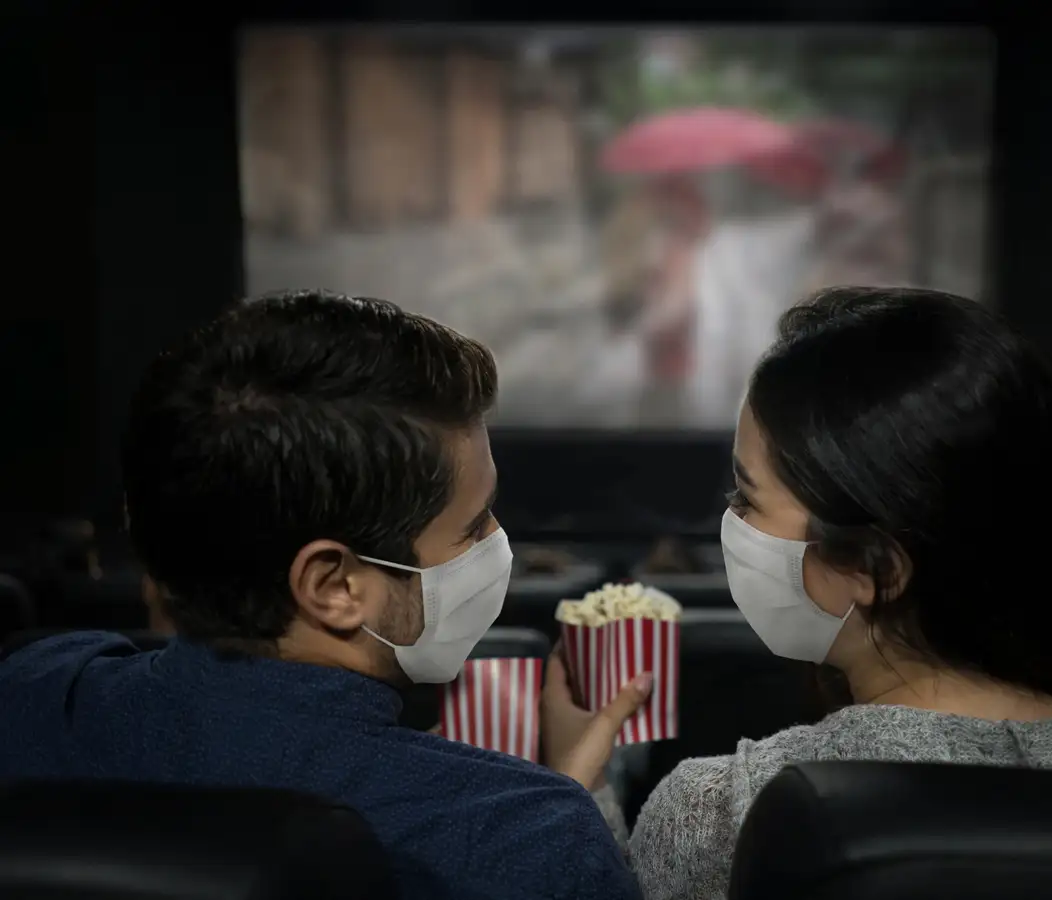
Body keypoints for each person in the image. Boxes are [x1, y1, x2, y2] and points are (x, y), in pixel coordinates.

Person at [549, 286, 1052, 900]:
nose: (732, 520)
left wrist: (577, 795)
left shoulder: (722, 813)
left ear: (876, 569)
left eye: (747, 497)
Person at [0, 291, 647, 900]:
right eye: (474, 526)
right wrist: (559, 806)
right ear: (333, 586)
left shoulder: (30, 692)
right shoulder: (531, 838)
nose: (497, 542)